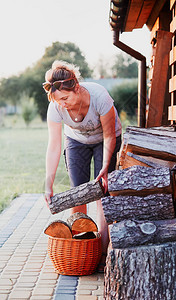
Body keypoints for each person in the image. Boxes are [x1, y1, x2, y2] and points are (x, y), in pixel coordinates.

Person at [43, 60, 122, 272]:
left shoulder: (99, 97)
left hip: (106, 140)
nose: (63, 104)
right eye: (58, 101)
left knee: (103, 192)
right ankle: (80, 250)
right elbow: (54, 145)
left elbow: (108, 135)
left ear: (76, 87)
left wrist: (105, 166)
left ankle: (103, 252)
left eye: (66, 98)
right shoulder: (56, 107)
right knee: (78, 192)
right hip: (76, 141)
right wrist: (48, 183)